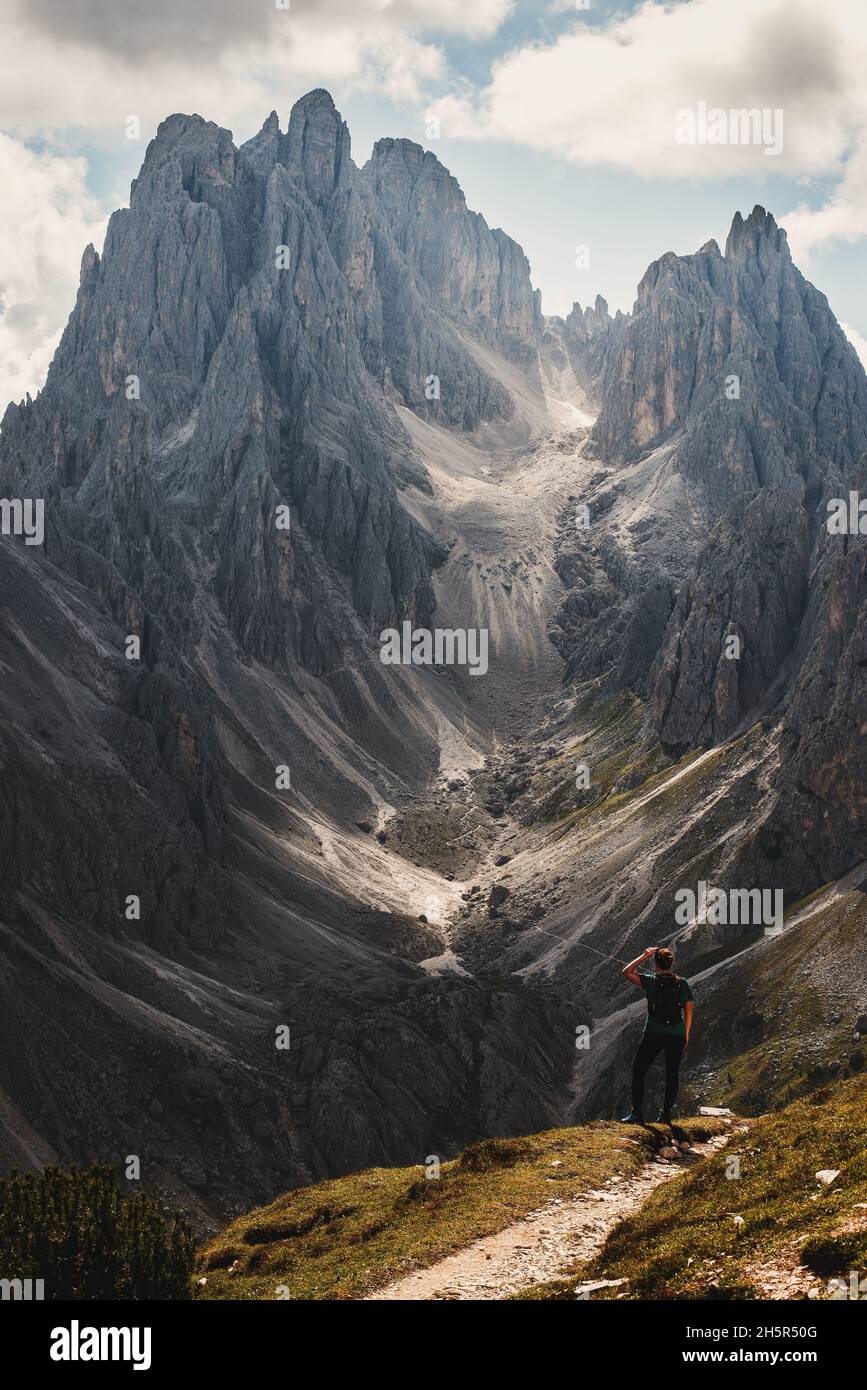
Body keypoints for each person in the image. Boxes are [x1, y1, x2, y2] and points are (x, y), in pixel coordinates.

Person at [619, 945, 694, 1125]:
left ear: (656, 964)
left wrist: (644, 955)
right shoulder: (682, 983)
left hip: (654, 1032)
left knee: (639, 1070)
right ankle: (666, 1114)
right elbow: (688, 1010)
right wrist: (686, 1035)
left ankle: (637, 1113)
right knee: (672, 1074)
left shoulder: (650, 981)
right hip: (676, 1033)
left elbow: (626, 971)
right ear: (671, 963)